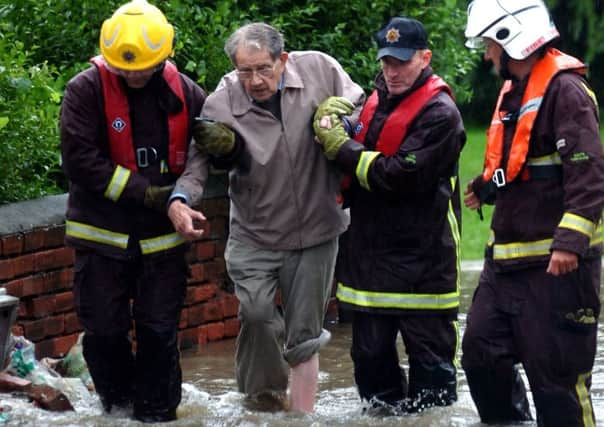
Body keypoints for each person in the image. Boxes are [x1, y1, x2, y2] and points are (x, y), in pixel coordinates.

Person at [167, 22, 365, 413]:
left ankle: (301, 418)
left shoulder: (320, 70)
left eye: (263, 69)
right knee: (256, 315)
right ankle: (264, 407)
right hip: (254, 233)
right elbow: (197, 163)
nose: (254, 80)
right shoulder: (221, 102)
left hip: (317, 230)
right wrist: (179, 199)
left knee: (305, 336)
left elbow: (362, 107)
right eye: (244, 71)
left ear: (283, 60)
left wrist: (344, 123)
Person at [59, 0, 206, 422]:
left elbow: (208, 152)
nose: (134, 74)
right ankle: (117, 411)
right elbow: (81, 162)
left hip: (162, 243)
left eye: (144, 66)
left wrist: (227, 147)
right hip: (100, 237)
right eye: (126, 68)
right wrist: (150, 194)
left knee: (160, 335)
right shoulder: (84, 90)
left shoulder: (187, 93)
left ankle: (157, 415)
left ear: (164, 56)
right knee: (103, 334)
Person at [313, 17, 465, 415]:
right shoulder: (378, 96)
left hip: (424, 261)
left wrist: (340, 146)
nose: (392, 71)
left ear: (424, 57)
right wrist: (337, 123)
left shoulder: (441, 114)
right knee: (369, 362)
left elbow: (397, 175)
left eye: (401, 62)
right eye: (386, 62)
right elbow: (364, 132)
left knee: (431, 375)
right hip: (369, 260)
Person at [462, 0, 604, 425]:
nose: (488, 54)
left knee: (557, 382)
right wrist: (486, 189)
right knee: (481, 356)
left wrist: (570, 243)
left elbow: (589, 172)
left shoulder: (566, 91)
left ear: (512, 39)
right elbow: (522, 164)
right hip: (505, 266)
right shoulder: (516, 91)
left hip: (555, 269)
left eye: (490, 43)